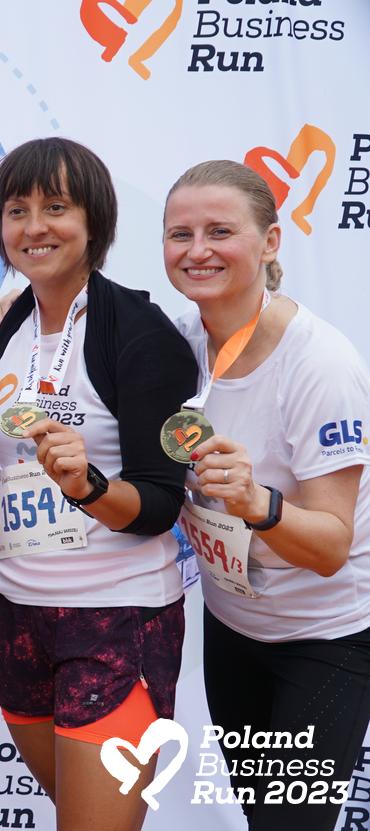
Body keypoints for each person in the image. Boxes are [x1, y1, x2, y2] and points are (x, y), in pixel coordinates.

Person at [0, 137, 197, 831]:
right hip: (15, 616)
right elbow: (9, 478)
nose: (35, 227)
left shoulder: (140, 334)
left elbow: (160, 503)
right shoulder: (5, 329)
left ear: (95, 221)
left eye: (56, 207)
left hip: (114, 619)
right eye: (17, 210)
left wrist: (88, 485)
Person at [162, 160, 370, 830]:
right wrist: (17, 308)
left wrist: (259, 503)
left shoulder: (320, 365)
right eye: (180, 234)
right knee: (263, 818)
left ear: (271, 241)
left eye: (220, 231)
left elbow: (332, 546)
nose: (198, 250)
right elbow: (86, 327)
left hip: (324, 637)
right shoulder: (178, 344)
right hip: (233, 628)